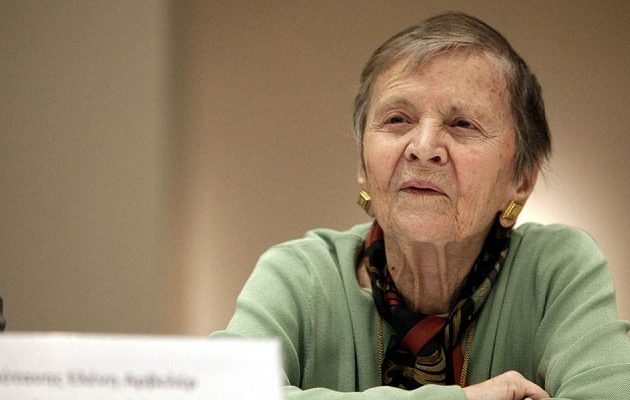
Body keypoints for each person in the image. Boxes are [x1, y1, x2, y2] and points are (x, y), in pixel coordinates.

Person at [212, 12, 630, 399]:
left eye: (462, 124)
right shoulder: (299, 276)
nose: (424, 147)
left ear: (521, 179)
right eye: (397, 119)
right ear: (362, 165)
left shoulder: (555, 269)